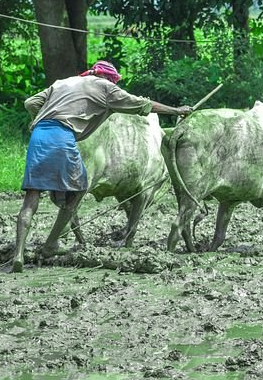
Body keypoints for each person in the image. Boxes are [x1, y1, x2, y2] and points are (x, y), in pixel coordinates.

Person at [11, 60, 192, 273]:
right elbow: (144, 105)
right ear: (107, 78)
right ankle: (51, 244)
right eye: (114, 81)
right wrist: (176, 110)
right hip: (63, 136)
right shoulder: (105, 88)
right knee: (78, 191)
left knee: (32, 197)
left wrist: (40, 119)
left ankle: (18, 255)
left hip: (38, 136)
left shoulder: (63, 83)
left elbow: (30, 103)